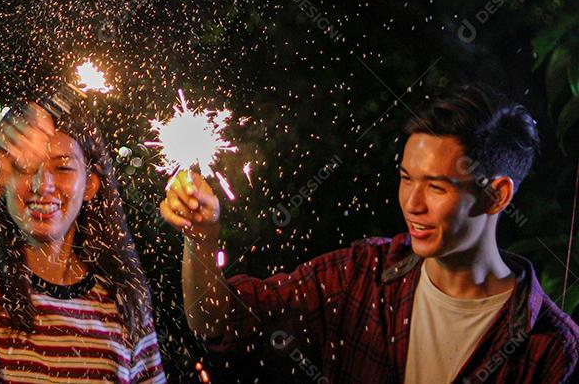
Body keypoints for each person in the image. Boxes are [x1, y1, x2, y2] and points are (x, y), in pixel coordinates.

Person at [161, 83, 579, 383]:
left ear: (496, 194)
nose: (412, 203)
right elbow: (218, 321)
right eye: (406, 178)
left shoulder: (550, 347)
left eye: (436, 186)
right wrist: (202, 236)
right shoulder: (361, 275)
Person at [0, 105, 166, 382]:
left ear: (90, 186)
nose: (43, 184)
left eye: (63, 168)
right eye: (25, 168)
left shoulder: (123, 300)